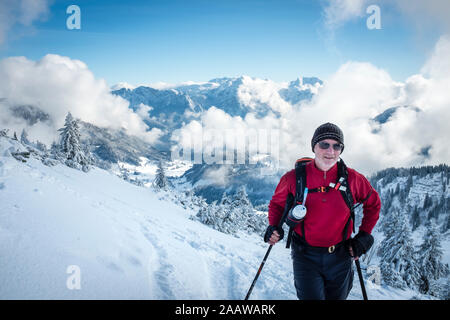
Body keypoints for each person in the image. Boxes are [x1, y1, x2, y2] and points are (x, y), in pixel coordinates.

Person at [264, 122, 381, 300]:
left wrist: (364, 236)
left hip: (341, 255)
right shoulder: (293, 178)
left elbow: (373, 204)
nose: (330, 151)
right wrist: (274, 226)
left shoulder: (353, 179)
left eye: (336, 146)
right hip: (305, 255)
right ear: (314, 147)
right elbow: (277, 205)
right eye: (324, 144)